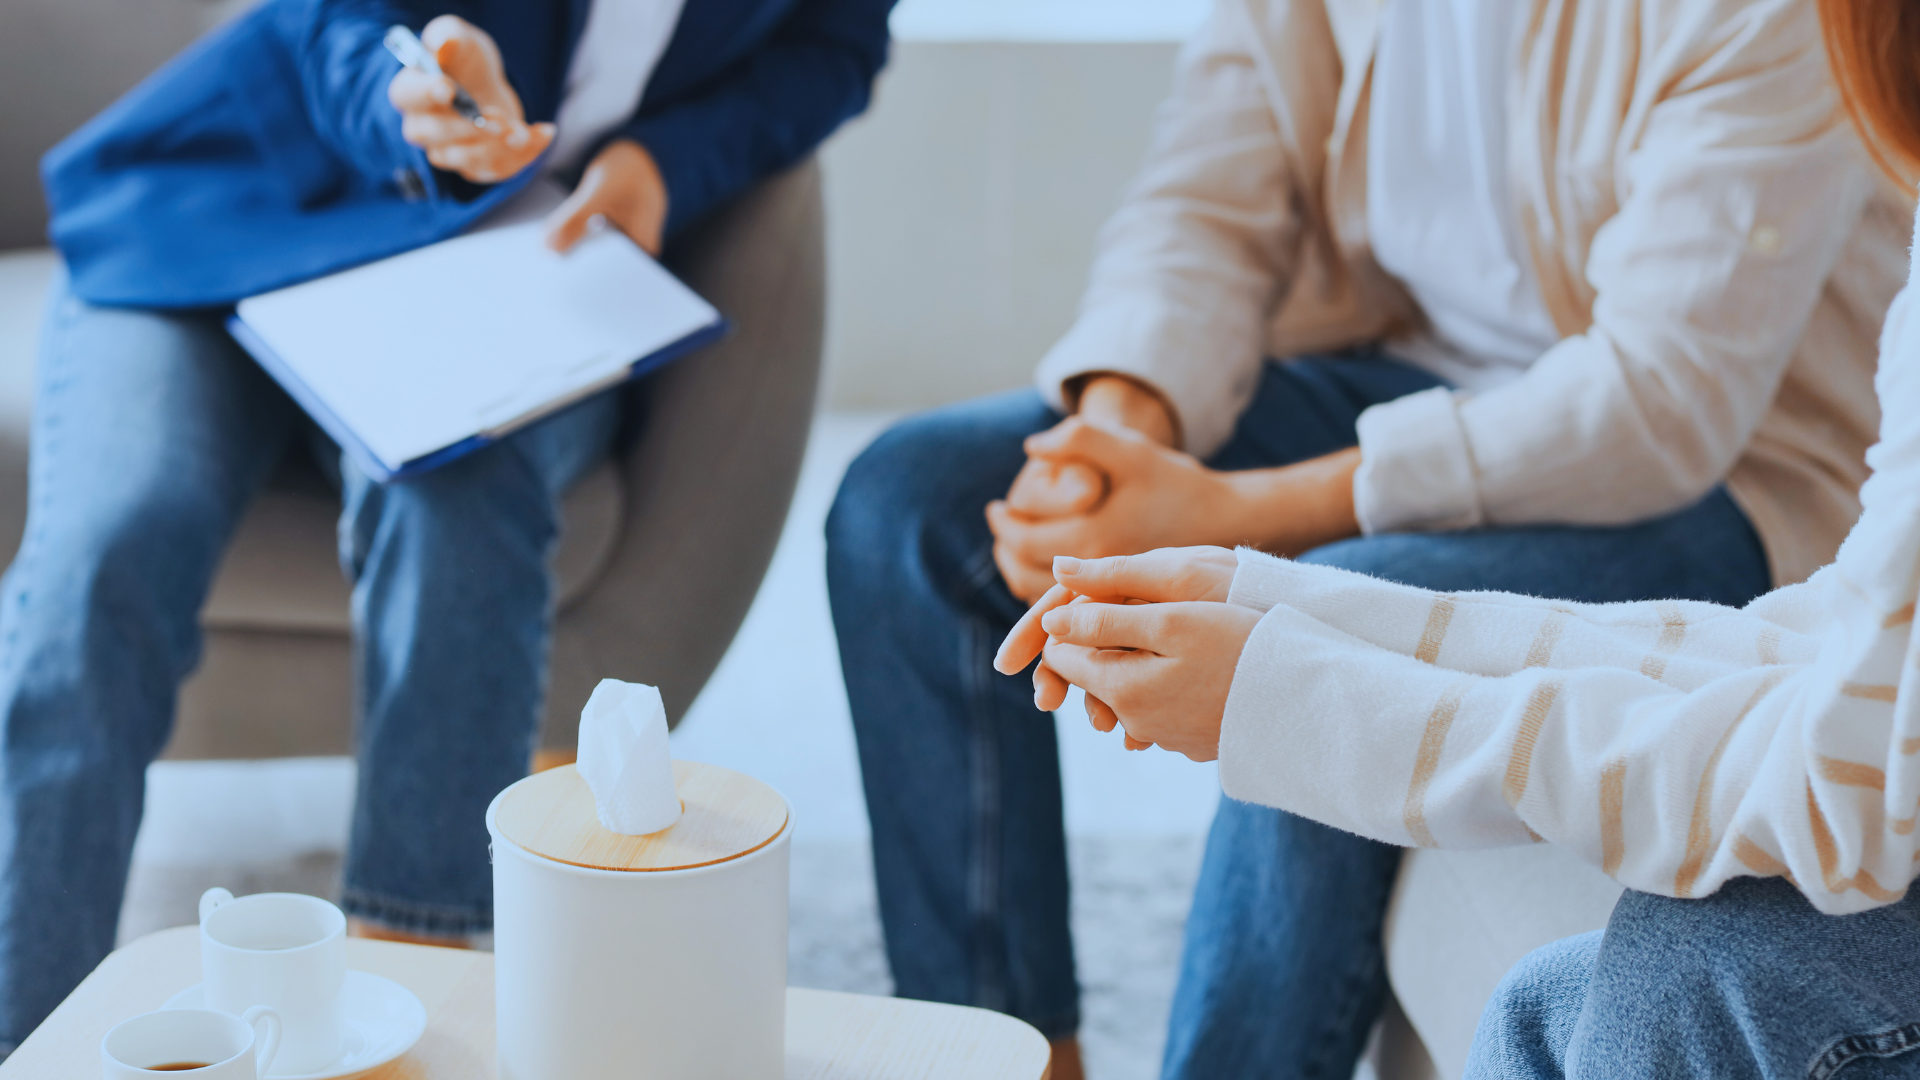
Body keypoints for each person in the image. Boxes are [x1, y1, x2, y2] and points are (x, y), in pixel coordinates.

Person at [825, 0, 1910, 1076]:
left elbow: (1654, 407)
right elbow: (1206, 194)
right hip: (1403, 372)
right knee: (906, 502)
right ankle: (1013, 1055)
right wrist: (1116, 434)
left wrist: (1240, 541)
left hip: (1708, 470)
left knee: (1319, 637)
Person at [2, 0, 891, 1053]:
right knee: (115, 541)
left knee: (462, 487)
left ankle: (404, 1003)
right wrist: (405, 97)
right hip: (225, 220)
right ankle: (27, 1030)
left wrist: (665, 162)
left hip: (499, 268)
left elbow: (834, 48)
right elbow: (331, 18)